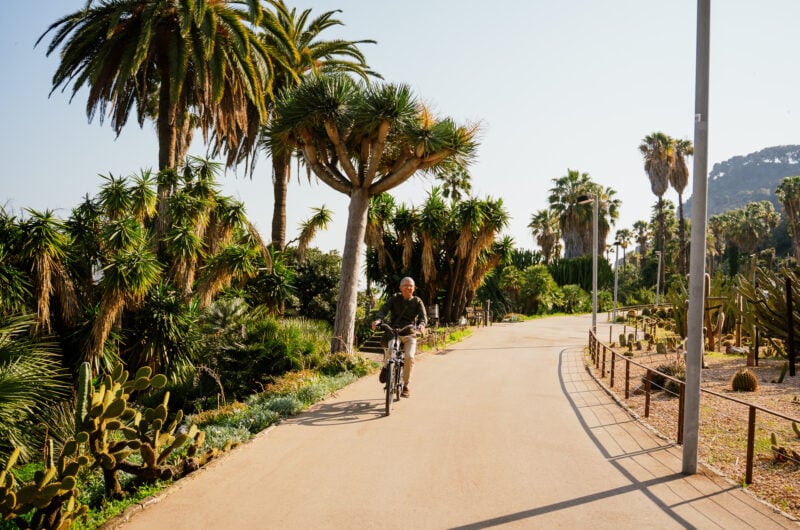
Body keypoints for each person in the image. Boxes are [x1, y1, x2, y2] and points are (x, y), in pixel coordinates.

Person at [371, 277, 427, 398]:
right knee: (390, 349)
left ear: (414, 288)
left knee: (409, 357)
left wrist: (421, 325)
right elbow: (383, 310)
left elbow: (423, 317)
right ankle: (386, 367)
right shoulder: (394, 298)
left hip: (409, 333)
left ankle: (406, 385)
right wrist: (378, 320)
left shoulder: (417, 301)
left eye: (410, 286)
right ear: (400, 288)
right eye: (405, 285)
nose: (408, 288)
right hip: (394, 332)